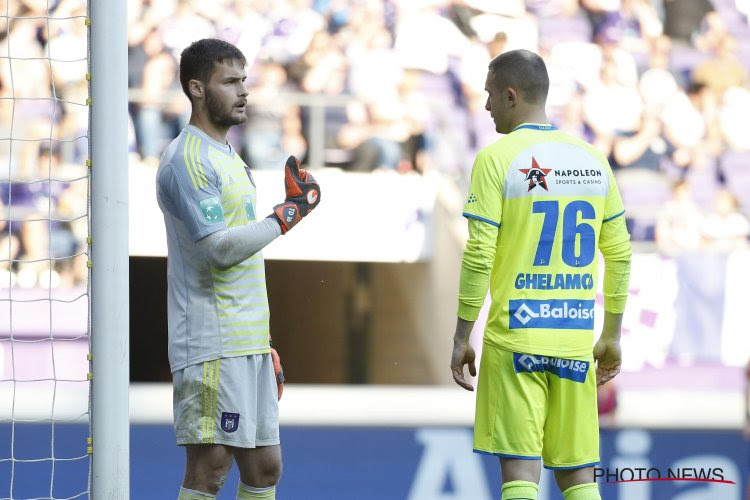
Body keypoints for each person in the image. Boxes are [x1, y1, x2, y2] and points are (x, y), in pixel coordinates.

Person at [450, 50, 632, 500]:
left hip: (516, 338)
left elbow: (478, 254)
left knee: (520, 474)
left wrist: (461, 335)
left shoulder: (496, 160)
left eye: (491, 96)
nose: (487, 107)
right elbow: (621, 255)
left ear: (511, 95)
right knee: (578, 476)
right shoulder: (593, 160)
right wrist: (611, 334)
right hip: (574, 338)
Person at [156, 39, 321, 500]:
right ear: (196, 89)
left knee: (265, 469)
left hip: (245, 340)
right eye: (229, 82)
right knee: (210, 467)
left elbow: (240, 262)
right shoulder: (187, 159)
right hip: (211, 342)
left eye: (243, 80)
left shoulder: (228, 155)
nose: (243, 91)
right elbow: (219, 252)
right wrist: (286, 215)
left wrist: (261, 342)